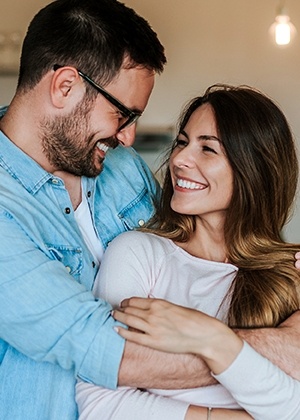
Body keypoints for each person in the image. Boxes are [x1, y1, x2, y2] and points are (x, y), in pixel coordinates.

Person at [0, 1, 300, 419]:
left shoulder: (119, 167)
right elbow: (108, 352)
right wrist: (268, 346)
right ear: (65, 86)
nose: (129, 138)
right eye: (122, 114)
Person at [77, 85, 300, 420]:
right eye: (182, 142)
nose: (179, 160)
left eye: (207, 149)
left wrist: (210, 337)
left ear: (254, 170)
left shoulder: (290, 274)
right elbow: (101, 406)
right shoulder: (139, 254)